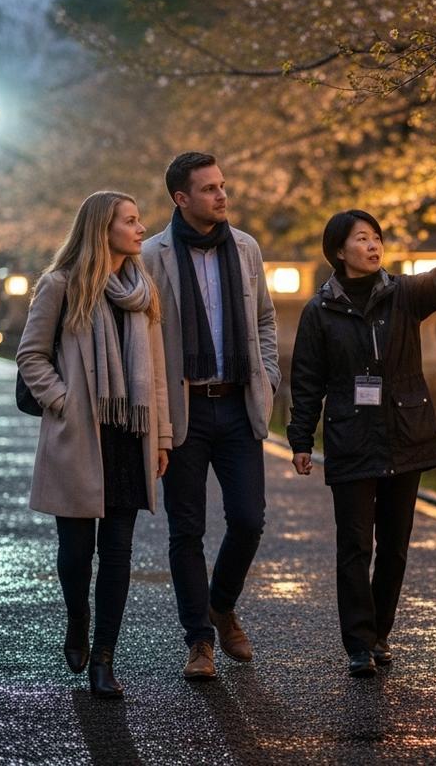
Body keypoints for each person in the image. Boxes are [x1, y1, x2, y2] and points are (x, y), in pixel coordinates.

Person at [288, 210, 436, 676]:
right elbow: (307, 380)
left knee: (394, 546)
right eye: (362, 239)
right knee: (354, 546)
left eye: (377, 238)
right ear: (339, 251)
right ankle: (358, 644)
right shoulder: (320, 310)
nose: (373, 246)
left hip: (403, 434)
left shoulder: (404, 294)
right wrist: (301, 438)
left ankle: (380, 632)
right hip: (351, 437)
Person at [17, 191, 172, 698]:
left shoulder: (141, 290)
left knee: (119, 551)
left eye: (138, 220)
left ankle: (105, 655)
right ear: (102, 228)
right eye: (130, 221)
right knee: (77, 551)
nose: (140, 229)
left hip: (130, 435)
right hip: (81, 435)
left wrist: (163, 437)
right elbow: (31, 355)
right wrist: (63, 400)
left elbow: (160, 374)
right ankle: (77, 619)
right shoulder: (61, 285)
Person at [141, 152, 280, 680]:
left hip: (238, 403)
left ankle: (222, 606)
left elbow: (265, 318)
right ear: (181, 198)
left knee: (248, 519)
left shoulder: (244, 247)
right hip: (185, 409)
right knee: (187, 530)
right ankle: (199, 640)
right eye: (209, 189)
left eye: (223, 186)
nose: (222, 196)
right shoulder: (153, 254)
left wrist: (266, 377)